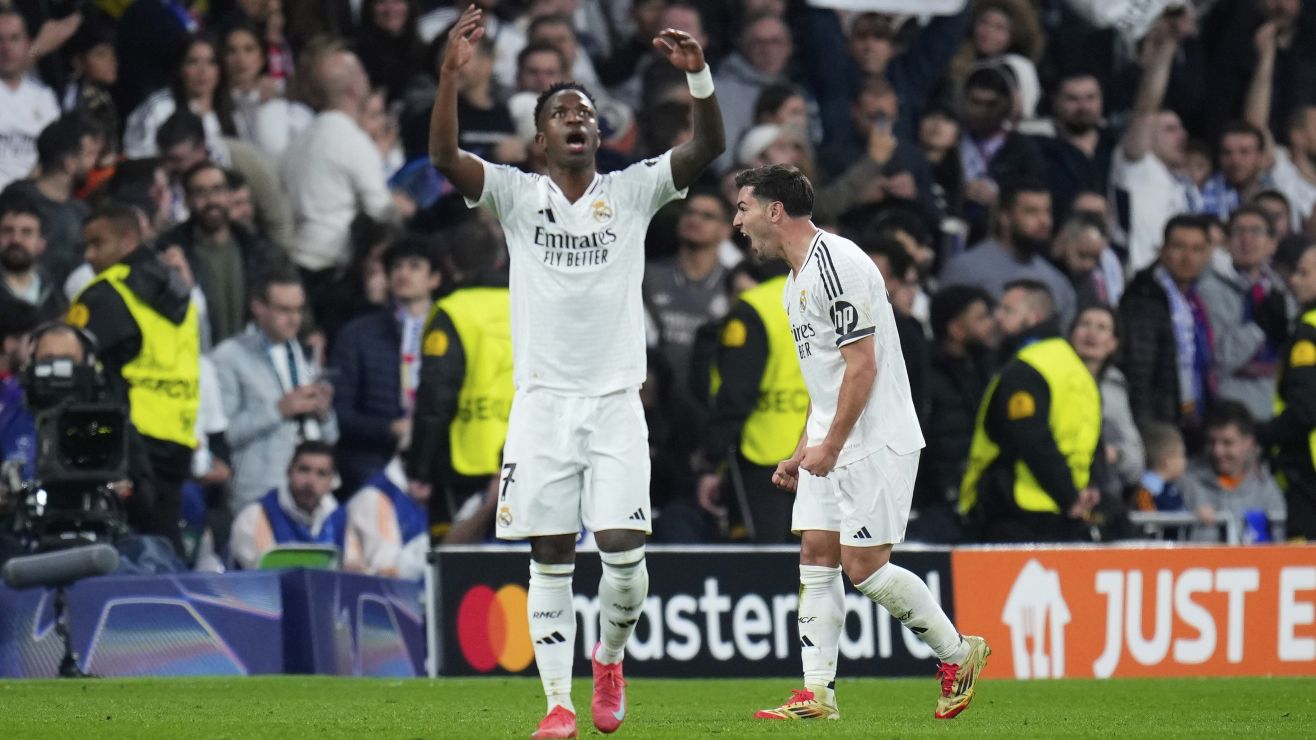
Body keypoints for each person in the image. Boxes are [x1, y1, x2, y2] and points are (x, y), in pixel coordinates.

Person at [427, 7, 725, 737]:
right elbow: (444, 157)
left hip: (616, 401)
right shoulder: (515, 194)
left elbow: (707, 147)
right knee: (551, 552)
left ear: (599, 134)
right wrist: (450, 78)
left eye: (585, 113)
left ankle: (610, 659)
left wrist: (699, 78)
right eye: (561, 113)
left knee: (623, 553)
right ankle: (558, 704)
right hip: (542, 404)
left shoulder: (631, 192)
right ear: (541, 139)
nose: (575, 120)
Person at [731, 164, 988, 722]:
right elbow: (825, 380)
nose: (738, 221)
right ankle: (816, 694)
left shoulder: (838, 264)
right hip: (835, 437)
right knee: (816, 553)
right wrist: (804, 447)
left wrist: (831, 444)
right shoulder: (795, 281)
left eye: (744, 208)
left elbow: (862, 366)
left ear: (775, 210)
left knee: (864, 566)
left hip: (875, 437)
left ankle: (958, 653)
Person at [66, 204, 201, 555]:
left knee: (122, 550)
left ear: (128, 240)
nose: (89, 256)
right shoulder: (180, 291)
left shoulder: (103, 294)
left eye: (97, 243)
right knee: (163, 545)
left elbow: (69, 366)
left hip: (128, 441)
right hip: (178, 435)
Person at [960, 280, 1101, 543]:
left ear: (1033, 317)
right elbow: (1091, 440)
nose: (997, 317)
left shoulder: (1026, 369)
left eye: (1008, 310)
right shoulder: (1076, 367)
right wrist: (1088, 490)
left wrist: (1068, 496)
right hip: (1067, 511)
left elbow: (1033, 440)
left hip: (1020, 509)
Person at [407, 221, 511, 541]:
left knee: (461, 561)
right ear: (499, 259)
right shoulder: (533, 305)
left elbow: (436, 396)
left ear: (450, 264)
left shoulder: (451, 312)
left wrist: (420, 467)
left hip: (466, 461)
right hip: (528, 452)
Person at [693, 259, 804, 544]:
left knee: (768, 558)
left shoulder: (755, 306)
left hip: (765, 453)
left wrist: (712, 460)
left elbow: (736, 392)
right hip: (824, 450)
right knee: (817, 557)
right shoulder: (821, 296)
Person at [212, 270, 339, 512]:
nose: (294, 319)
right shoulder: (229, 356)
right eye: (284, 310)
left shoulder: (300, 352)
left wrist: (324, 413)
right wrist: (279, 410)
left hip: (311, 492)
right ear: (258, 307)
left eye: (299, 310)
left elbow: (331, 437)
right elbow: (223, 436)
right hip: (259, 493)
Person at [331, 236, 440, 495]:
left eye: (414, 266)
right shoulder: (357, 334)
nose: (403, 273)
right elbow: (340, 412)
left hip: (437, 460)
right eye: (397, 267)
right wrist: (389, 429)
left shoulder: (454, 331)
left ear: (435, 279)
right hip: (370, 462)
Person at [158, 161, 280, 348]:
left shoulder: (256, 246)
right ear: (187, 200)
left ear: (229, 195)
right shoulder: (170, 250)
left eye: (218, 190)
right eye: (201, 192)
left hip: (251, 354)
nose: (211, 200)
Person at [1119, 215, 1216, 447]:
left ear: (1207, 255)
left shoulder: (1196, 299)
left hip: (1190, 417)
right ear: (1162, 250)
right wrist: (1148, 431)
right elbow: (1139, 373)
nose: (1187, 257)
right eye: (1179, 247)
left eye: (1197, 249)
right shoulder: (1144, 297)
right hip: (1160, 424)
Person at [913, 285, 995, 542]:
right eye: (981, 318)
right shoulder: (925, 375)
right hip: (936, 505)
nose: (991, 324)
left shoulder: (987, 369)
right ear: (956, 329)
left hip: (980, 501)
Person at [939, 177, 1076, 329]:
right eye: (1032, 212)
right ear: (1005, 217)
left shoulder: (1058, 283)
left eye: (1048, 212)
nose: (1045, 221)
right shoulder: (966, 270)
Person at [1258, 241, 1316, 541]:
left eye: (1304, 273)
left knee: (1302, 560)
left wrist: (1263, 434)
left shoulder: (1309, 332)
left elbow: (1306, 409)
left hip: (1308, 470)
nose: (1293, 280)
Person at [228, 440, 345, 569]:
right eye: (304, 470)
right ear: (289, 471)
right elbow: (261, 574)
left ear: (332, 480)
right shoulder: (256, 516)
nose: (311, 481)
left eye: (321, 474)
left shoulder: (340, 519)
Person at [1181, 401, 1284, 543]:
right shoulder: (1186, 482)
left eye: (1227, 443)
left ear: (1248, 442)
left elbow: (1279, 544)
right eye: (1212, 442)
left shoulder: (1266, 488)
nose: (1217, 451)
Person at [1070, 305, 1144, 494]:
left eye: (1102, 328)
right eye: (1085, 324)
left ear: (1113, 343)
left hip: (1105, 490)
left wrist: (1116, 455)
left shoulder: (1115, 386)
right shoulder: (1054, 377)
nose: (1091, 333)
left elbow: (1135, 458)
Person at [0, 9, 60, 191]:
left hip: (32, 197)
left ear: (28, 43)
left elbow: (55, 153)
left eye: (14, 38)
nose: (6, 48)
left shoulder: (45, 97)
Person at [0, 195, 66, 321]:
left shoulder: (55, 295)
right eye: (8, 231)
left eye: (26, 232)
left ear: (42, 243)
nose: (16, 239)